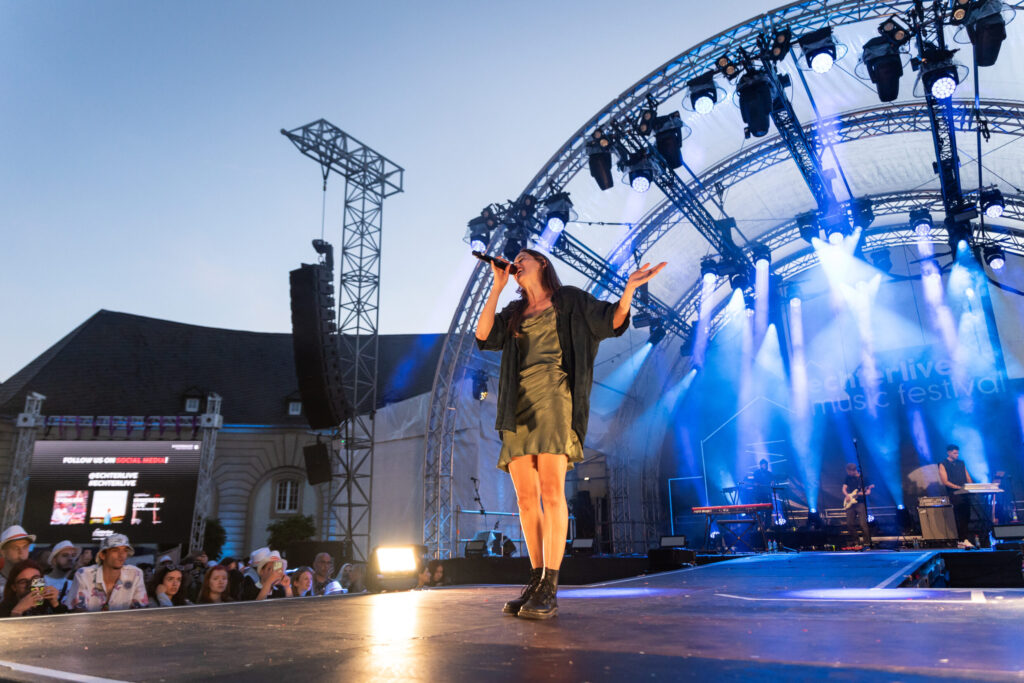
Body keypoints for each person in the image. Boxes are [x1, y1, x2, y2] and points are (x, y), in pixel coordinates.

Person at [476, 248, 665, 619]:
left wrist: (628, 289)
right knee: (526, 500)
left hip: (555, 398)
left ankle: (551, 582)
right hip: (517, 405)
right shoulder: (514, 313)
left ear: (541, 263)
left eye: (521, 259)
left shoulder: (571, 300)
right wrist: (497, 287)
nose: (516, 266)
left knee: (550, 491)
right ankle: (534, 579)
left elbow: (611, 320)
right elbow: (483, 335)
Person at [64, 533, 148, 612]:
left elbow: (140, 611)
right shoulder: (84, 574)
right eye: (115, 550)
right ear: (102, 555)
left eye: (125, 550)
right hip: (89, 626)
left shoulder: (135, 574)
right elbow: (78, 610)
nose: (121, 555)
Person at [0, 559, 69, 618]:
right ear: (14, 587)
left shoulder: (48, 602)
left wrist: (56, 604)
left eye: (36, 580)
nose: (30, 585)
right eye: (23, 582)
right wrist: (17, 611)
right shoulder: (4, 608)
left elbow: (68, 626)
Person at [938, 444, 974, 541]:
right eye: (954, 453)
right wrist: (958, 488)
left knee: (967, 516)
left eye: (957, 453)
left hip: (965, 493)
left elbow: (967, 476)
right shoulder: (943, 464)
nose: (957, 455)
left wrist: (971, 486)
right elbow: (945, 481)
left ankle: (965, 538)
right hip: (954, 494)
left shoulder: (961, 463)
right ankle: (961, 539)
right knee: (958, 517)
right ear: (949, 453)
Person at [842, 463, 875, 548]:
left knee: (863, 524)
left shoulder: (863, 478)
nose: (849, 473)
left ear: (854, 470)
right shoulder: (848, 477)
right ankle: (856, 541)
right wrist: (847, 495)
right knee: (849, 523)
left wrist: (862, 493)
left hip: (860, 503)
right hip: (850, 503)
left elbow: (868, 492)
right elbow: (844, 488)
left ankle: (867, 543)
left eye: (849, 472)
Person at [0, 525, 35, 595]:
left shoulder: (36, 577)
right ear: (2, 552)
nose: (21, 552)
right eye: (15, 548)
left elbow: (39, 603)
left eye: (25, 547)